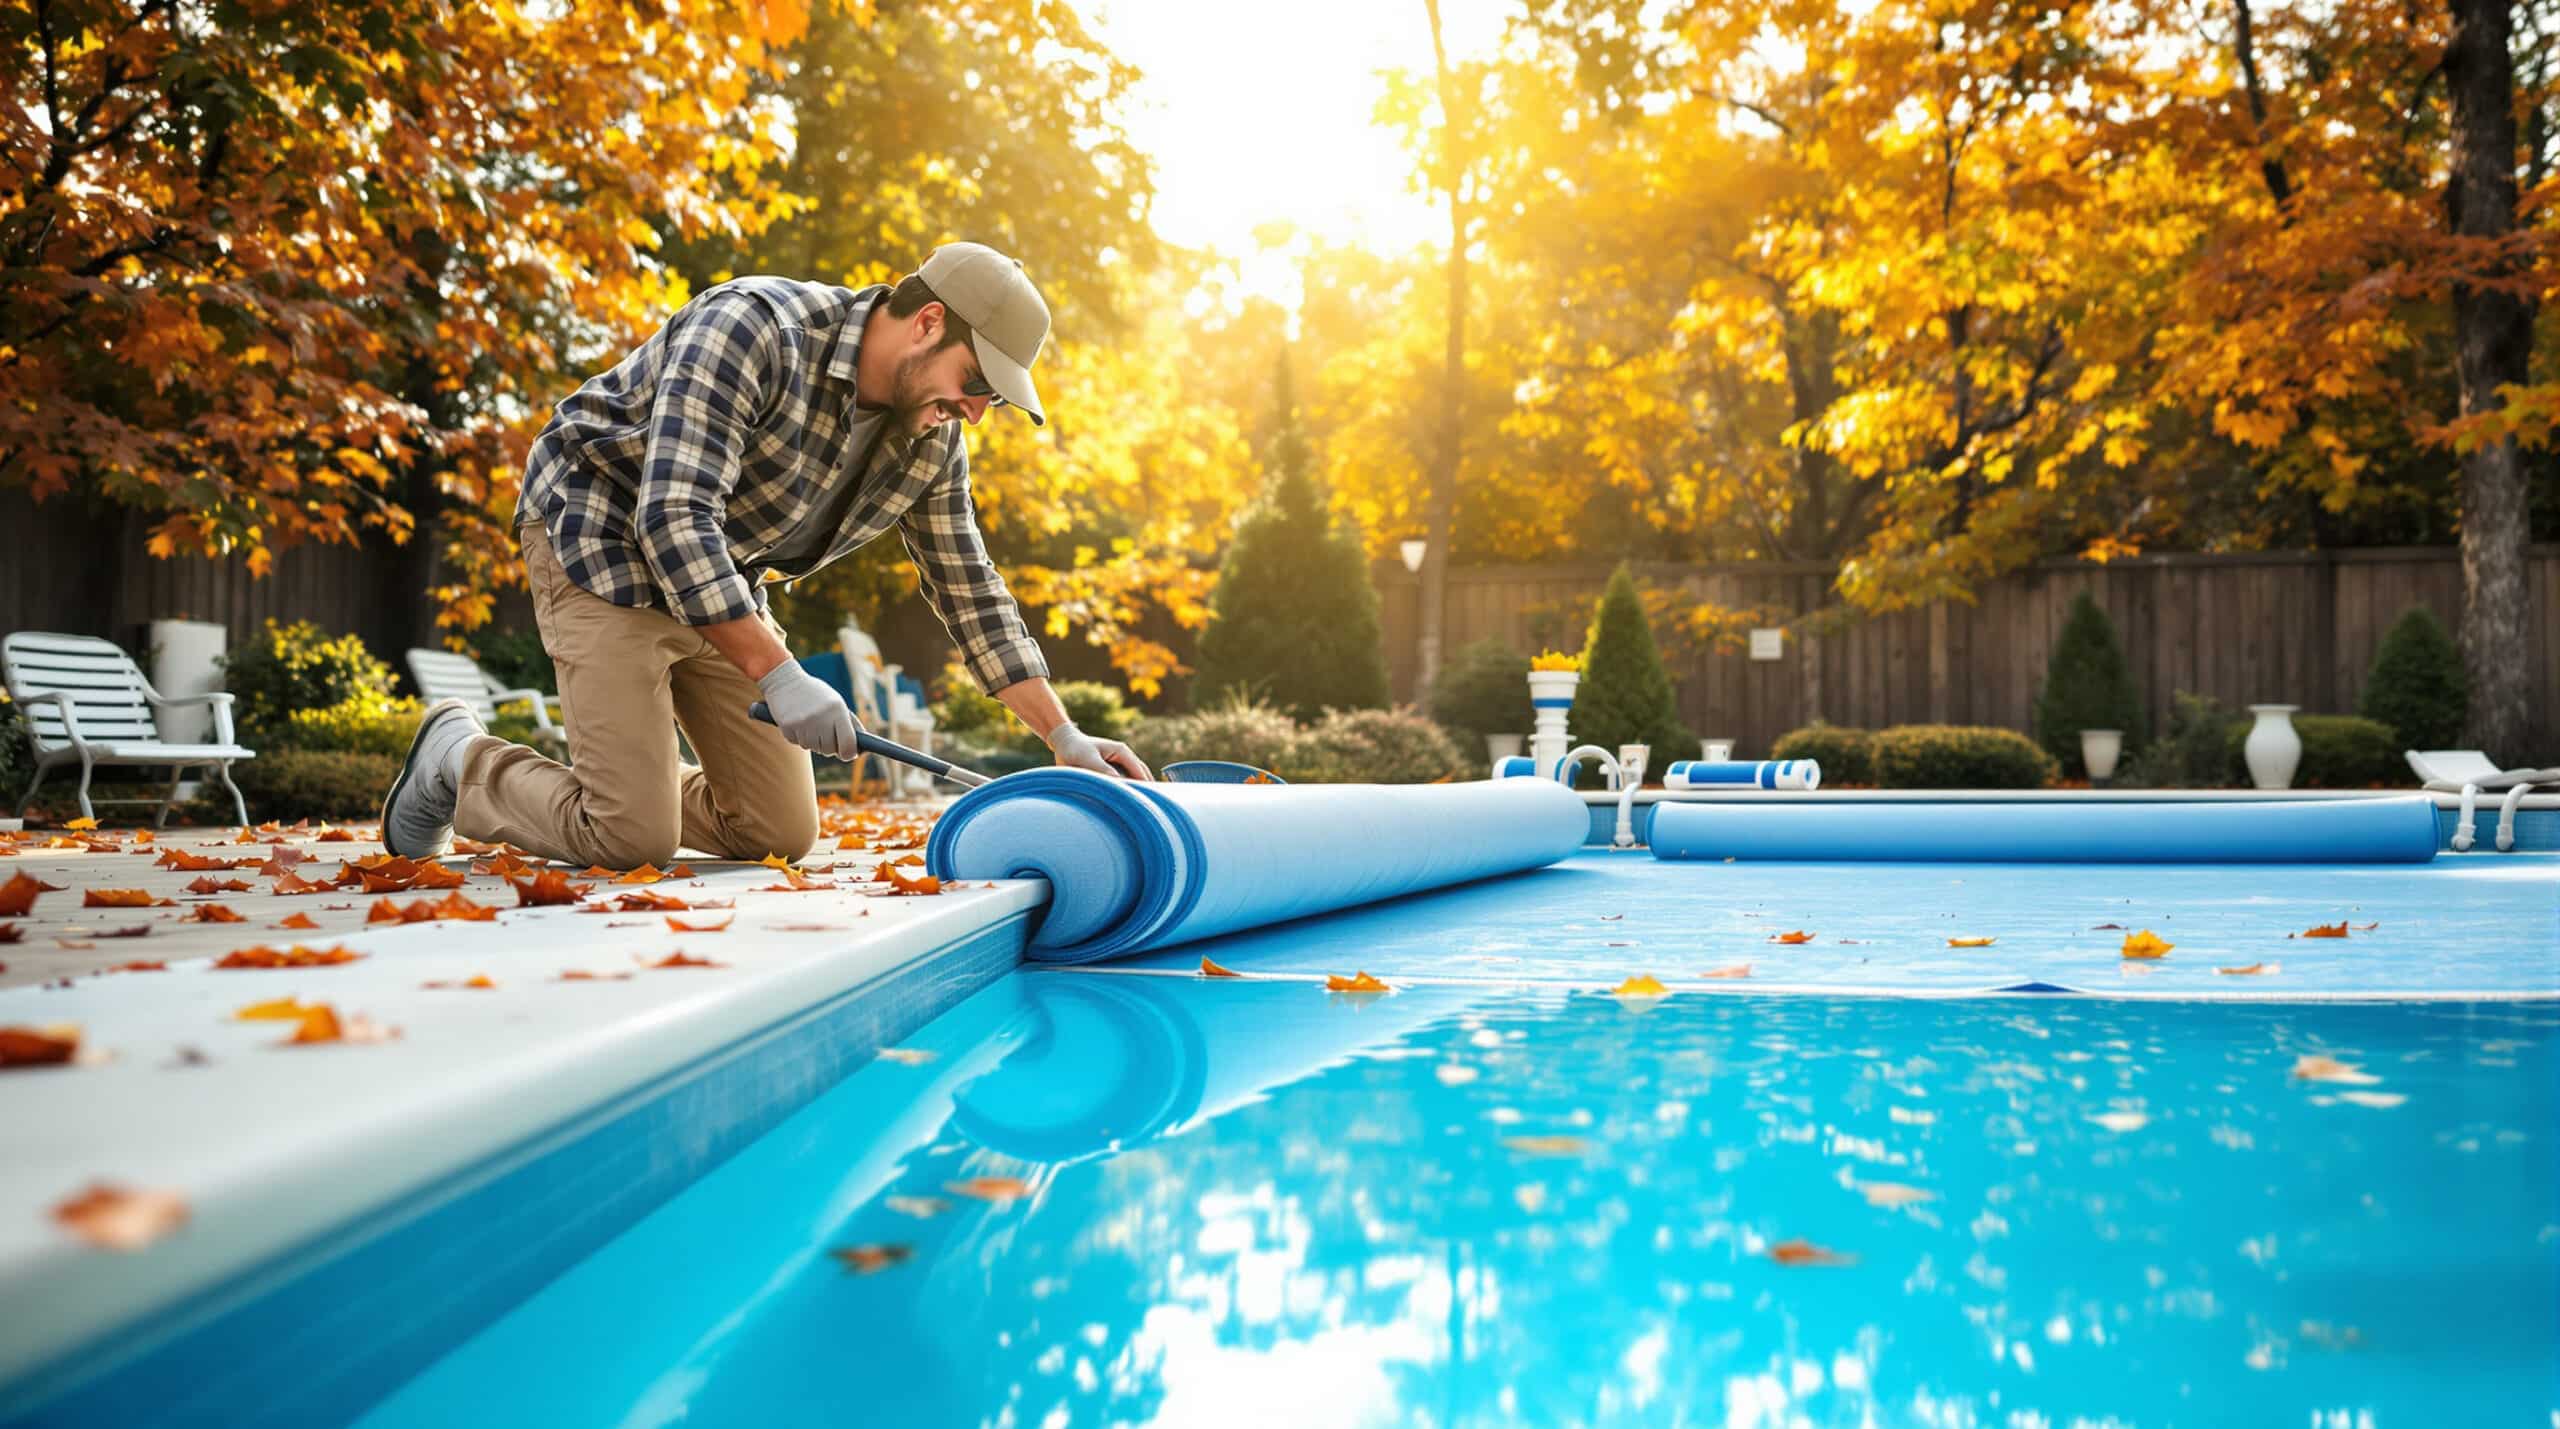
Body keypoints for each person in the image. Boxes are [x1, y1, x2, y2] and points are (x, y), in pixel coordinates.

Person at [379, 242, 1150, 868]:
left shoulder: (931, 438)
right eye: (977, 381)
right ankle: (459, 760)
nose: (977, 414)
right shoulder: (753, 327)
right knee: (629, 840)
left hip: (721, 573)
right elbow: (674, 514)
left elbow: (969, 587)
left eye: (995, 401)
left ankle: (631, 791)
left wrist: (1062, 735)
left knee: (777, 831)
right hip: (602, 533)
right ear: (927, 323)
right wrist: (779, 672)